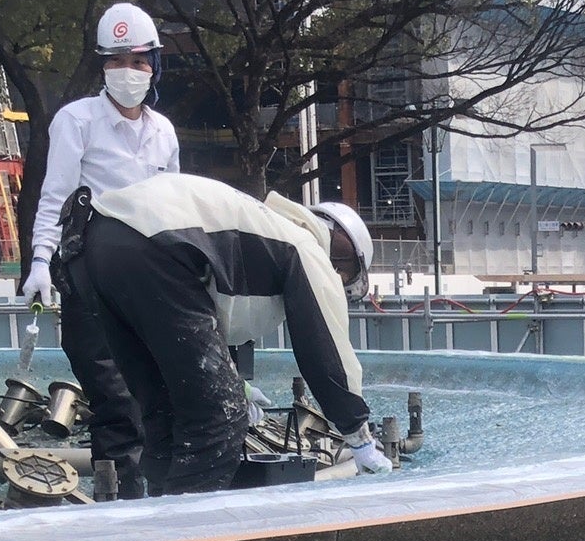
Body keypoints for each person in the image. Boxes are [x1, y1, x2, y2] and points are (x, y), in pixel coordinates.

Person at [77, 172, 389, 494]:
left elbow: (200, 323)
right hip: (154, 245)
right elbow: (327, 350)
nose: (338, 276)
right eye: (344, 271)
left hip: (97, 241)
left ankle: (157, 520)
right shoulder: (304, 246)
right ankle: (189, 538)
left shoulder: (258, 229)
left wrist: (236, 383)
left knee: (166, 413)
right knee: (218, 420)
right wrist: (358, 436)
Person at [20, 3, 181, 496]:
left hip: (151, 284)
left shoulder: (164, 132)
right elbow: (55, 197)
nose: (126, 72)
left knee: (164, 400)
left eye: (137, 61)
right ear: (102, 66)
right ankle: (121, 511)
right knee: (116, 404)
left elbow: (176, 210)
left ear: (154, 65)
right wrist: (41, 262)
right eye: (114, 61)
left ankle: (166, 508)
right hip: (91, 282)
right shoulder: (78, 121)